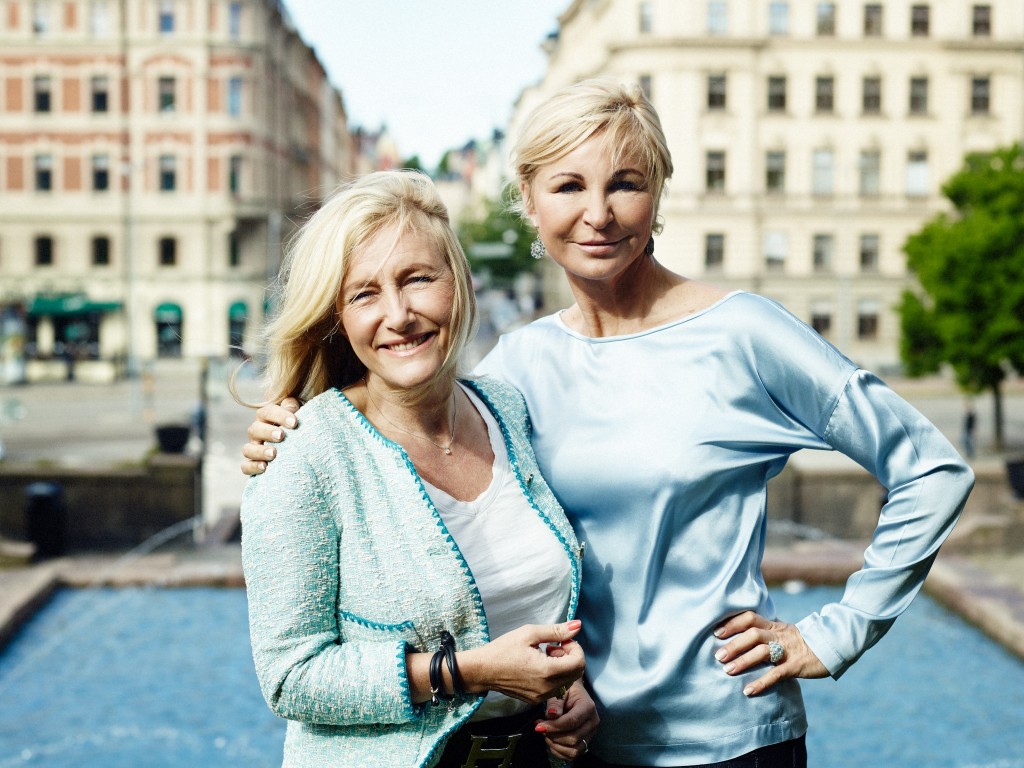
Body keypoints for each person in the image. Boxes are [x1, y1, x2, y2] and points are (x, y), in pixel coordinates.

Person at [241, 80, 974, 767]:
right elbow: (399, 416)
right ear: (528, 199)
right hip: (572, 743)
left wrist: (837, 633)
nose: (599, 213)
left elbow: (932, 470)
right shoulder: (516, 369)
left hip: (727, 737)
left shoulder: (744, 334)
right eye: (569, 186)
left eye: (626, 183)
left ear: (658, 198)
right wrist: (291, 421)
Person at [237, 170, 598, 768]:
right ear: (338, 317)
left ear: (458, 283)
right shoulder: (302, 452)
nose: (399, 314)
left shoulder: (505, 410)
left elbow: (534, 609)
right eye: (365, 294)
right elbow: (290, 678)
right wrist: (465, 672)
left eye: (417, 279)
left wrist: (569, 694)